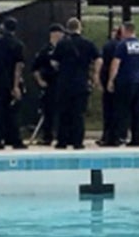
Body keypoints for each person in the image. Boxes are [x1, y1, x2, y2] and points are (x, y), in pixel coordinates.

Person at [51, 17, 101, 150]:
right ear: (80, 27)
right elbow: (98, 58)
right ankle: (77, 141)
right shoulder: (87, 43)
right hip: (81, 82)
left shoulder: (62, 43)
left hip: (65, 83)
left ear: (67, 28)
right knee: (78, 114)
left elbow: (54, 62)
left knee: (64, 113)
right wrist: (95, 74)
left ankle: (62, 141)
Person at [106, 22, 139, 147]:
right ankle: (136, 138)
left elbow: (116, 63)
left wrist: (111, 80)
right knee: (136, 111)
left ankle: (119, 137)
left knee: (121, 109)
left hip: (125, 80)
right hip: (138, 81)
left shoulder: (123, 44)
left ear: (125, 31)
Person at [0, 17, 27, 150]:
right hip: (11, 81)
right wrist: (15, 86)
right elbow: (18, 66)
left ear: (3, 28)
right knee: (13, 112)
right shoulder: (17, 45)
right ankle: (14, 139)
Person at [31, 24, 64, 145]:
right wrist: (40, 81)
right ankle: (47, 136)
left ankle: (63, 136)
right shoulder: (45, 51)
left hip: (62, 84)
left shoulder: (65, 48)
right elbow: (35, 68)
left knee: (63, 112)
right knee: (48, 111)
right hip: (50, 84)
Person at [97, 26, 123, 146]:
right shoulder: (123, 45)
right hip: (121, 81)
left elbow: (103, 62)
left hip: (109, 78)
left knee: (108, 110)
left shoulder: (109, 46)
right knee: (118, 110)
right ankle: (117, 136)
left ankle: (108, 136)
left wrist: (103, 79)